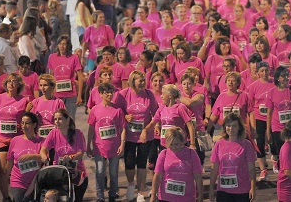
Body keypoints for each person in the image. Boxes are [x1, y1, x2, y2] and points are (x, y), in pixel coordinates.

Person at [0, 73, 31, 202]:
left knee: (16, 169)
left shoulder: (24, 100)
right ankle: (6, 197)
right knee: (2, 169)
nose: (11, 84)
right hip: (0, 138)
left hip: (17, 139)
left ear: (19, 85)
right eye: (9, 81)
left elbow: (29, 119)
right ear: (5, 84)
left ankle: (18, 194)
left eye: (14, 81)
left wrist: (28, 111)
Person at [116, 70, 159, 202]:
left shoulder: (148, 94)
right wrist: (124, 116)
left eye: (143, 80)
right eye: (140, 80)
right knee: (129, 162)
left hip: (145, 135)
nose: (142, 83)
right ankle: (130, 185)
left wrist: (147, 129)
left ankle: (140, 191)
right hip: (128, 135)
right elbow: (116, 113)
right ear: (132, 81)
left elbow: (156, 115)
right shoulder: (123, 94)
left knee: (141, 163)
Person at [86, 83, 126, 202]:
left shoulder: (118, 110)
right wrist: (88, 145)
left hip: (114, 146)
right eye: (106, 92)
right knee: (99, 171)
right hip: (99, 146)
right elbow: (91, 128)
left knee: (113, 173)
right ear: (101, 94)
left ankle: (112, 194)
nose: (109, 94)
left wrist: (122, 144)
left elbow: (123, 128)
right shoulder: (95, 109)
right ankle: (100, 195)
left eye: (111, 92)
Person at [40, 109, 88, 202]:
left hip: (77, 174)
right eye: (55, 119)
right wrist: (44, 156)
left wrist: (70, 157)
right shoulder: (53, 133)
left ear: (67, 120)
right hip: (60, 174)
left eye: (60, 119)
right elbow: (43, 149)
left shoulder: (78, 133)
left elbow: (80, 153)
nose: (57, 121)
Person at [209, 113, 256, 202]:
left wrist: (253, 187)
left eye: (234, 126)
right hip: (223, 190)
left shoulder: (246, 144)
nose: (231, 129)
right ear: (224, 127)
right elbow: (214, 169)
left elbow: (251, 169)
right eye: (228, 126)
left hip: (242, 190)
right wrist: (211, 188)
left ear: (239, 127)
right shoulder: (219, 144)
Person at [266, 66, 291, 174]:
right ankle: (282, 171)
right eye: (283, 75)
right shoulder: (272, 92)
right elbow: (269, 112)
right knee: (281, 150)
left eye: (288, 75)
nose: (286, 77)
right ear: (278, 78)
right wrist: (268, 130)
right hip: (278, 126)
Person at [149, 127, 203, 202]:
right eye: (171, 144)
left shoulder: (191, 153)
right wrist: (153, 196)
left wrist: (200, 195)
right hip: (166, 197)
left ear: (182, 141)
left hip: (186, 197)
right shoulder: (163, 153)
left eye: (176, 144)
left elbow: (198, 176)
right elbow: (157, 176)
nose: (173, 147)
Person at [6, 111, 44, 202]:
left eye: (27, 123)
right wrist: (7, 175)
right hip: (18, 181)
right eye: (22, 123)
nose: (24, 125)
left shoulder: (42, 141)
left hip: (36, 182)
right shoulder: (15, 140)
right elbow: (10, 160)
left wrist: (31, 156)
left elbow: (45, 158)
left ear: (34, 125)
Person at [248, 61, 275, 181]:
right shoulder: (253, 86)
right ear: (258, 73)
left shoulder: (275, 83)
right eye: (262, 71)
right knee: (259, 142)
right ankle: (263, 169)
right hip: (259, 117)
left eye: (267, 70)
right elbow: (250, 107)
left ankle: (275, 158)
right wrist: (252, 124)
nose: (265, 73)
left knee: (274, 140)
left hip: (274, 117)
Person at [48, 35, 84, 119]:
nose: (62, 46)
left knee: (70, 120)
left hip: (71, 95)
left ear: (68, 45)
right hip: (56, 95)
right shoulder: (52, 57)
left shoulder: (74, 57)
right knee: (57, 120)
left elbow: (80, 77)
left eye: (64, 44)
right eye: (60, 44)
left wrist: (79, 96)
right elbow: (50, 77)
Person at [30, 74, 66, 138]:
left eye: (45, 85)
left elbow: (64, 121)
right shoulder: (35, 102)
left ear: (52, 86)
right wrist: (27, 111)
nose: (42, 88)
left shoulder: (58, 102)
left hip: (55, 137)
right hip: (38, 138)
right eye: (41, 85)